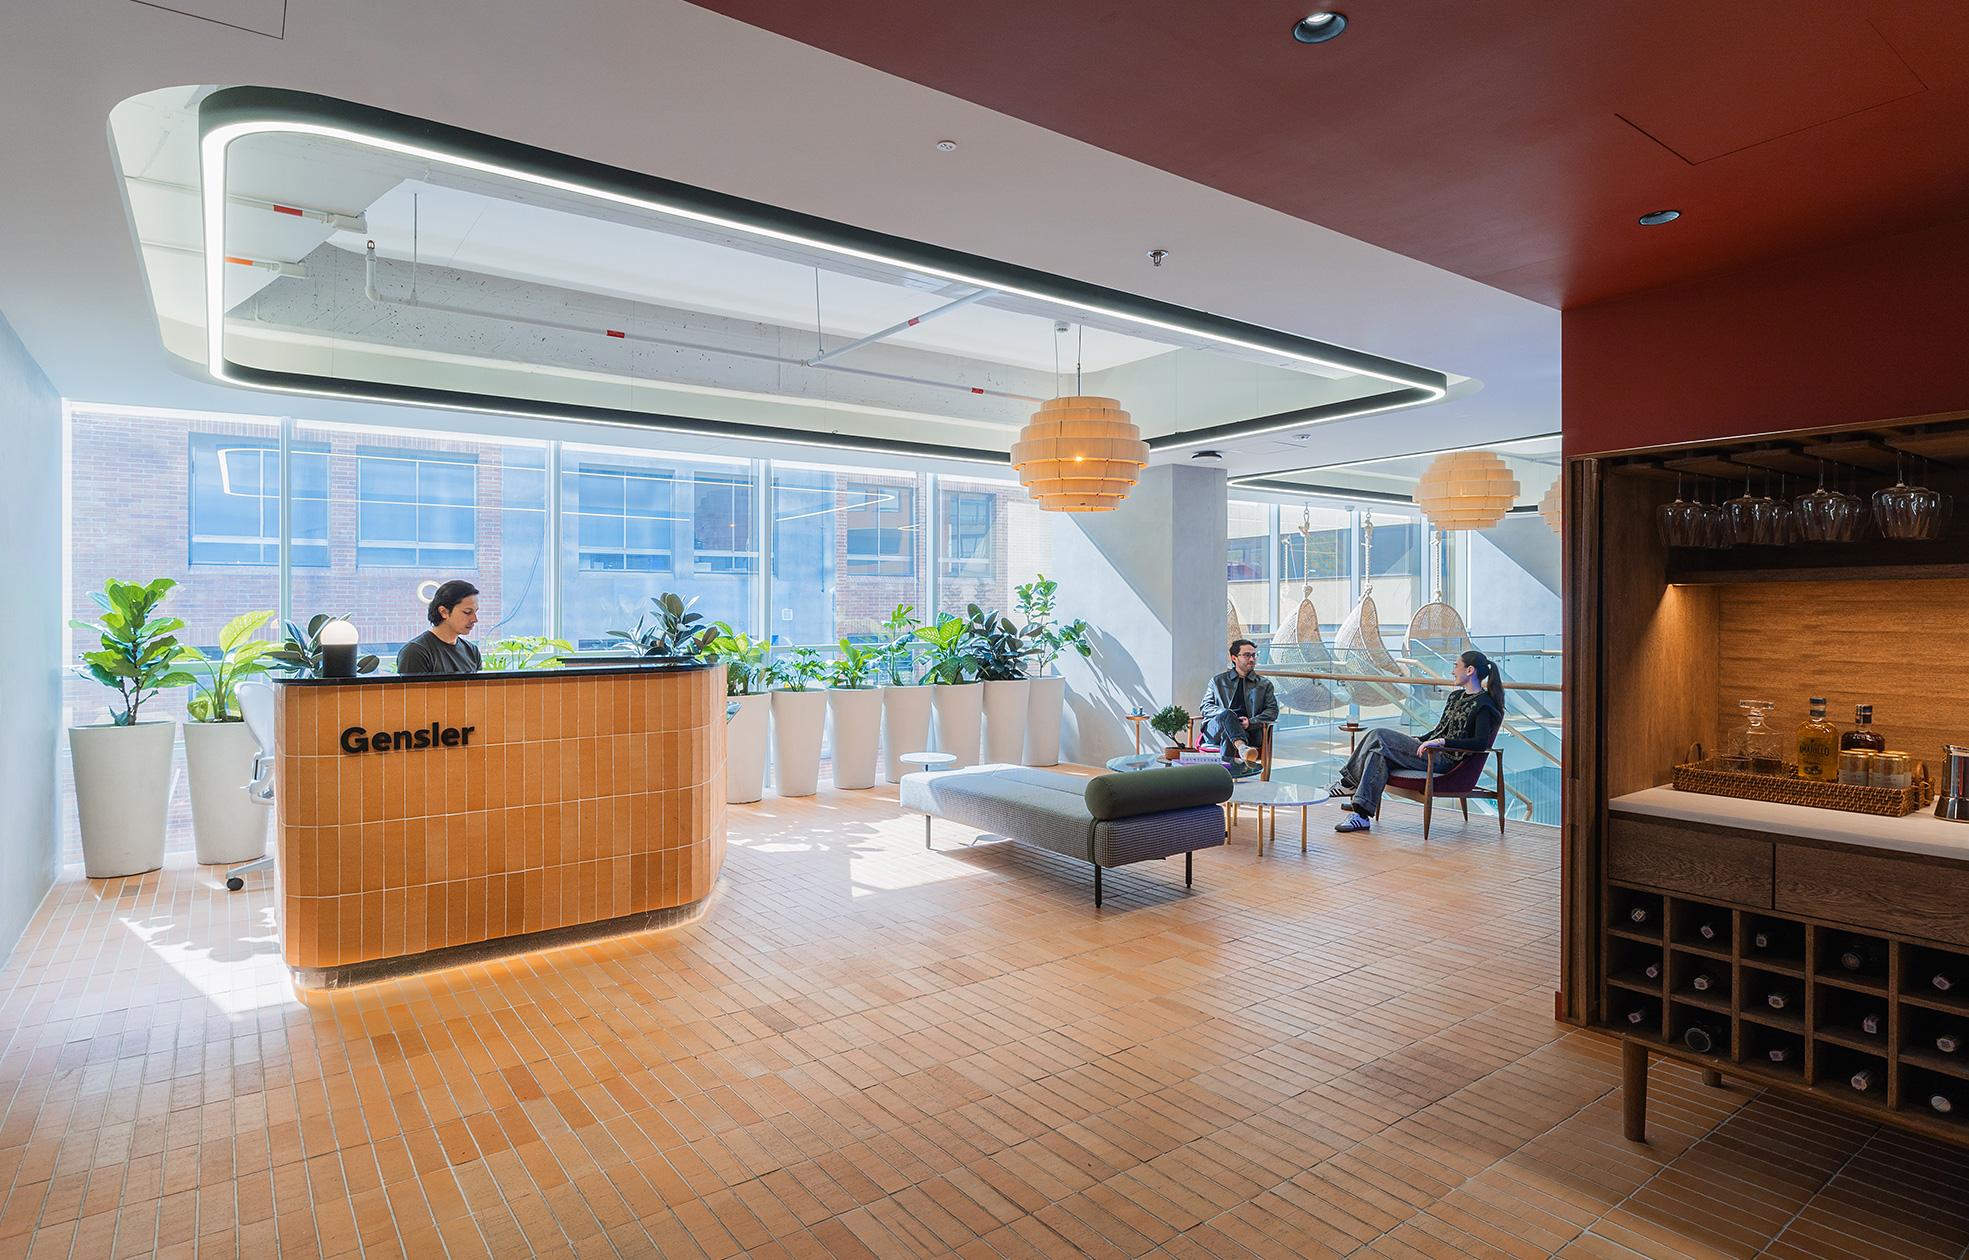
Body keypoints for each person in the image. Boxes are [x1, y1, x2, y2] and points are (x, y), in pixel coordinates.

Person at [1330, 649, 1503, 832]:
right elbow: (1440, 728)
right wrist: (1419, 739)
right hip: (1431, 752)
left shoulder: (1484, 704)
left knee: (1379, 734)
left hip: (1446, 760)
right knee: (1376, 753)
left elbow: (1480, 744)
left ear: (1469, 670)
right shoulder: (1455, 697)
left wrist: (1442, 743)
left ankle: (1349, 783)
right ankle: (1361, 815)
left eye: (1456, 666)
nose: (1453, 671)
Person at [1198, 639, 1277, 779]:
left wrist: (1251, 722)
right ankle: (1242, 749)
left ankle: (1223, 782)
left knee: (1229, 735)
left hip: (1246, 731)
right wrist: (1224, 714)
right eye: (1247, 655)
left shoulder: (1264, 685)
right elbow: (1205, 706)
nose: (1252, 659)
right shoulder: (1218, 681)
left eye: (1254, 655)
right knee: (1228, 715)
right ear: (1234, 658)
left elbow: (1272, 711)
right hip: (1216, 728)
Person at [396, 579, 483, 675]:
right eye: (467, 612)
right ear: (443, 612)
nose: (475, 619)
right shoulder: (415, 652)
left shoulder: (472, 651)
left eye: (475, 612)